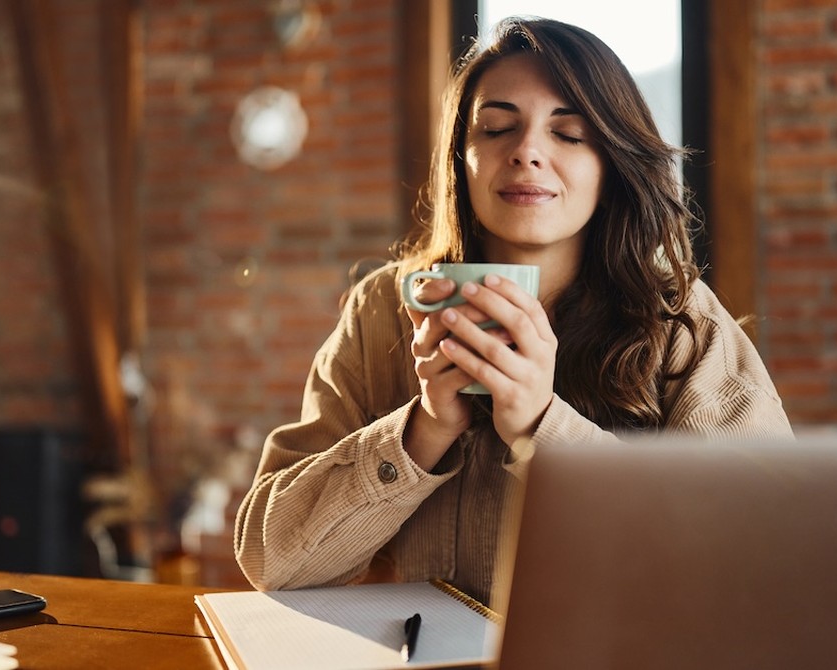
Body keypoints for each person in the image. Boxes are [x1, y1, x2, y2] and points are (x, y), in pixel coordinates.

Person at [234, 17, 792, 606]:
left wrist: (542, 426)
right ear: (461, 158)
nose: (527, 151)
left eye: (570, 134)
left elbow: (757, 554)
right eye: (497, 127)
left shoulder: (680, 319)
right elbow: (271, 558)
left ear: (613, 164)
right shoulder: (383, 309)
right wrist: (422, 431)